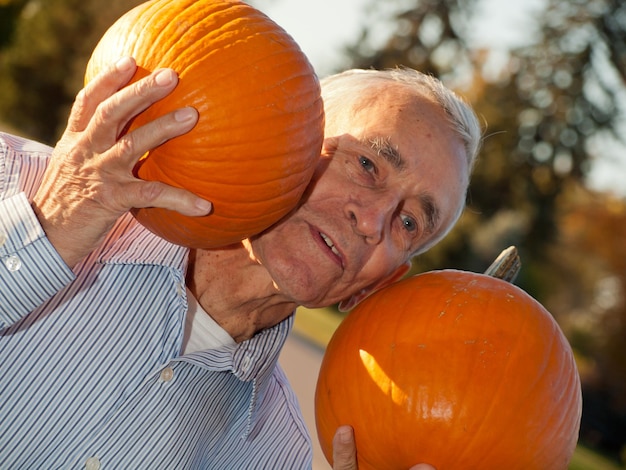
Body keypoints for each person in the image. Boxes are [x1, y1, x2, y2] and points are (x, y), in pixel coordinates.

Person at [0, 56, 481, 469]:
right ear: (287, 139)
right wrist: (49, 229)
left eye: (411, 223)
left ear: (372, 286)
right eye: (368, 165)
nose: (373, 221)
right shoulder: (13, 178)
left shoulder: (276, 454)